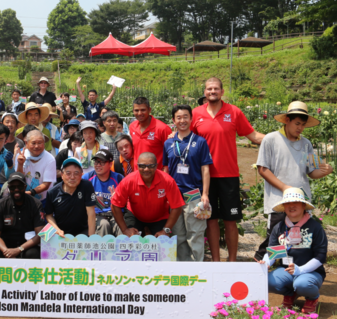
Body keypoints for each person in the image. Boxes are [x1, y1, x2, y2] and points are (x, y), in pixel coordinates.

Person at [191, 77, 265, 262]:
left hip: (228, 175)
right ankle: (216, 261)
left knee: (231, 220)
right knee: (211, 219)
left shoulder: (234, 112)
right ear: (205, 92)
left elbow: (254, 136)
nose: (212, 91)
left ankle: (232, 261)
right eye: (209, 89)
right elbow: (185, 138)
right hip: (205, 177)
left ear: (222, 91)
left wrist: (280, 137)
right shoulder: (196, 114)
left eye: (216, 88)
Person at [254, 102, 333, 260]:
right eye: (297, 123)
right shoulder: (271, 139)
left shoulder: (305, 144)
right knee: (274, 239)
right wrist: (285, 188)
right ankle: (258, 268)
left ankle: (291, 272)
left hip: (301, 200)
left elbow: (311, 172)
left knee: (297, 241)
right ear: (286, 121)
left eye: (303, 125)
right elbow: (262, 169)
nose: (300, 128)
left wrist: (325, 171)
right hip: (279, 200)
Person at [257, 188, 327, 314]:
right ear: (283, 206)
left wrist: (301, 270)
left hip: (311, 272)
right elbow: (274, 251)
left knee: (303, 284)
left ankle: (312, 298)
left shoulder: (315, 227)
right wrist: (266, 263)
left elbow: (320, 256)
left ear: (303, 205)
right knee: (267, 280)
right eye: (287, 203)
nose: (291, 206)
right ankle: (290, 294)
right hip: (286, 270)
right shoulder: (279, 227)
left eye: (295, 202)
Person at [162, 104, 212, 262]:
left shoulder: (200, 142)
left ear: (191, 119)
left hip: (193, 195)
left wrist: (205, 194)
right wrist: (164, 193)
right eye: (178, 117)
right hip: (174, 197)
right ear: (173, 120)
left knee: (195, 234)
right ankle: (183, 270)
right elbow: (165, 170)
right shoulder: (168, 143)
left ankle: (198, 269)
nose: (182, 120)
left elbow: (205, 169)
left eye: (185, 117)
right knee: (178, 236)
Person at [111, 153, 184, 237]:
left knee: (163, 242)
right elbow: (115, 204)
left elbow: (177, 206)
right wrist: (125, 230)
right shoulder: (128, 181)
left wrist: (166, 230)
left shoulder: (168, 181)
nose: (146, 169)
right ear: (137, 166)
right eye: (142, 166)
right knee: (129, 240)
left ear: (156, 166)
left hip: (160, 218)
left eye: (151, 166)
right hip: (135, 216)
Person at [0, 172, 46, 259]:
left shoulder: (36, 204)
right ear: (8, 188)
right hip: (6, 244)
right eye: (12, 187)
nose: (16, 189)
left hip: (27, 244)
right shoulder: (0, 204)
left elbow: (40, 234)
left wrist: (19, 249)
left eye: (20, 186)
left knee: (33, 254)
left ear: (25, 187)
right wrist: (6, 251)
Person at [45, 158, 97, 236]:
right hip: (60, 232)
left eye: (76, 173)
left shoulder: (87, 186)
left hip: (82, 231)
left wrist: (91, 239)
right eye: (68, 173)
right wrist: (57, 230)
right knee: (44, 236)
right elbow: (49, 215)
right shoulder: (52, 192)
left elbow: (91, 213)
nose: (72, 177)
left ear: (81, 175)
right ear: (62, 175)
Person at [82, 150, 124, 236]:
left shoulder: (119, 178)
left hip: (115, 214)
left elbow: (127, 201)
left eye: (102, 162)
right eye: (96, 162)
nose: (98, 165)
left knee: (121, 228)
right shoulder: (87, 178)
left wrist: (117, 199)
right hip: (96, 215)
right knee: (104, 225)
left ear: (111, 164)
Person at [15, 130, 56, 205]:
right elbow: (18, 178)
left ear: (44, 143)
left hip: (43, 200)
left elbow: (46, 184)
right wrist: (20, 164)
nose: (37, 146)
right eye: (33, 143)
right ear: (26, 143)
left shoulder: (50, 159)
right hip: (23, 199)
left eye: (40, 143)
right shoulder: (21, 155)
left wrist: (31, 192)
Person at [130, 96, 171, 170]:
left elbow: (170, 154)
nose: (139, 113)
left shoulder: (162, 128)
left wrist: (165, 173)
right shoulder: (132, 127)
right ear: (133, 111)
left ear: (149, 110)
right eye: (136, 110)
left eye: (143, 110)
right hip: (138, 174)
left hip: (156, 175)